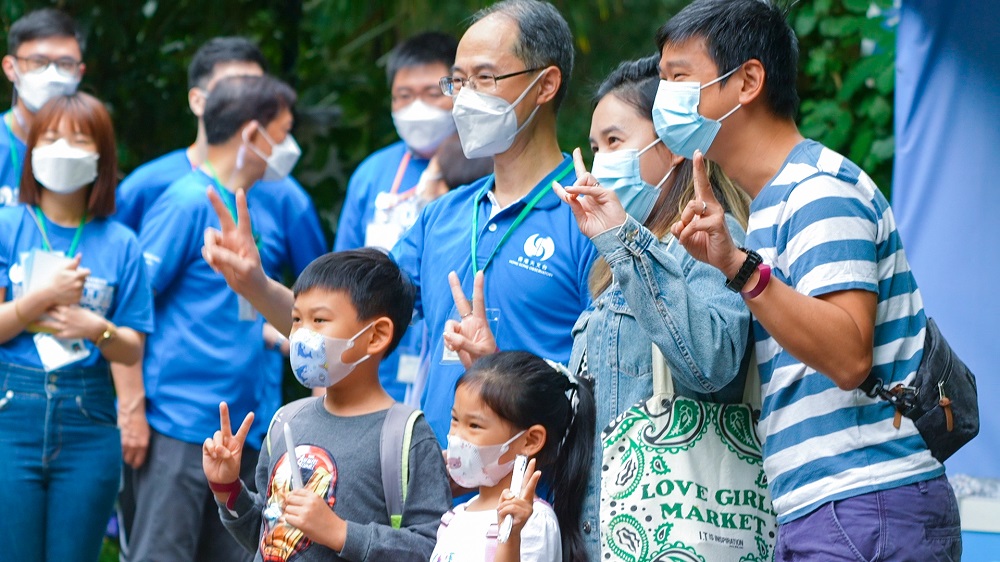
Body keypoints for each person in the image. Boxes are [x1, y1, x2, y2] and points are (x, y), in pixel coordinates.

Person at [201, 0, 599, 449]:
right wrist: (255, 284)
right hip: (436, 494)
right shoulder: (443, 216)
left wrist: (497, 369)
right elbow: (347, 328)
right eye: (459, 81)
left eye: (484, 78)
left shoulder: (591, 216)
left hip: (537, 500)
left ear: (545, 85)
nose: (465, 98)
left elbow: (607, 391)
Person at [656, 0, 961, 559]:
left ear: (748, 80)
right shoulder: (768, 205)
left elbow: (848, 355)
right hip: (825, 507)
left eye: (680, 79)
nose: (664, 102)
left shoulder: (819, 189)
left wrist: (737, 267)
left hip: (867, 500)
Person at [442, 55, 754, 560]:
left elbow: (713, 363)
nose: (599, 159)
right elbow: (587, 413)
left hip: (678, 533)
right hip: (599, 533)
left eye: (614, 141)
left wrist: (622, 242)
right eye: (594, 146)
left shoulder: (708, 241)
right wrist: (492, 367)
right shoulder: (612, 266)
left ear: (673, 149)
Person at [112, 37, 325, 555]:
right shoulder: (186, 202)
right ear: (253, 133)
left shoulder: (262, 203)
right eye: (283, 134)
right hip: (180, 427)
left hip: (245, 429)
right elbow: (128, 306)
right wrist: (131, 410)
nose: (288, 147)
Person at [202, 249, 451, 561]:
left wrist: (340, 533)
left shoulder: (405, 436)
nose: (302, 334)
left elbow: (432, 547)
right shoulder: (286, 421)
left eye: (319, 320)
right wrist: (227, 488)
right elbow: (267, 535)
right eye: (296, 319)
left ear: (376, 336)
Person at [0, 92, 153, 562]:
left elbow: (131, 350)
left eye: (79, 138)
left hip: (89, 417)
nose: (63, 148)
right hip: (11, 412)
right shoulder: (6, 225)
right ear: (31, 151)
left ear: (102, 155)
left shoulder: (122, 243)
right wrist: (41, 300)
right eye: (50, 137)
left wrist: (94, 327)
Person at [334, 31, 458, 403]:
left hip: (449, 360)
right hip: (376, 365)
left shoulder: (480, 169)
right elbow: (340, 277)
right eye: (404, 96)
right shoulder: (371, 173)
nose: (416, 107)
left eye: (432, 94)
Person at [431, 351, 595, 562]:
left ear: (531, 440)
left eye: (474, 425)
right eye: (455, 419)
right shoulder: (456, 515)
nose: (456, 437)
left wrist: (511, 537)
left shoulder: (532, 521)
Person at [1, 8, 85, 206]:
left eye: (65, 64)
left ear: (79, 73)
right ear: (10, 68)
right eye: (38, 62)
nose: (52, 74)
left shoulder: (88, 152)